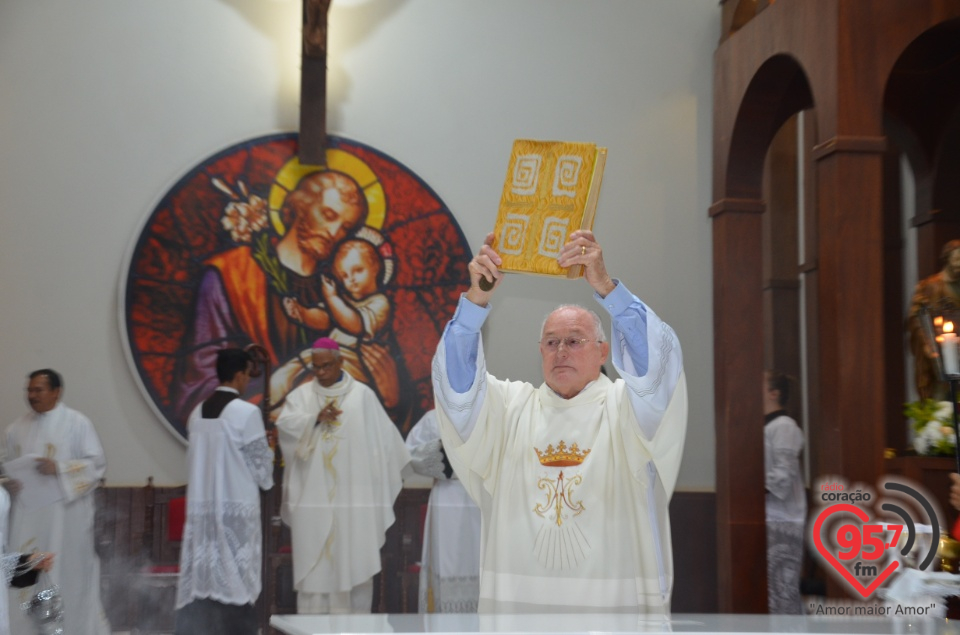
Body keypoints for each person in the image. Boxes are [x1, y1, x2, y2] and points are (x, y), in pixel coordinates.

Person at [431, 229, 687, 614]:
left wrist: (605, 286)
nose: (561, 350)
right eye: (551, 342)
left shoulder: (626, 408)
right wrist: (476, 299)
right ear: (539, 352)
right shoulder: (511, 409)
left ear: (603, 351)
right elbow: (458, 391)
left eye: (575, 340)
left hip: (608, 608)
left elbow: (658, 373)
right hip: (522, 610)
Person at [176, 170, 370, 422]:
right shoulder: (232, 274)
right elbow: (200, 382)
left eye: (345, 227)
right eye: (329, 215)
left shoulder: (340, 292)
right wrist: (271, 411)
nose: (334, 232)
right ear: (300, 205)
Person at [276, 337, 410, 614]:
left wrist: (377, 477)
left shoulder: (363, 397)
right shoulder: (301, 397)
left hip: (353, 503)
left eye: (326, 366)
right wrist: (313, 418)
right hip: (313, 500)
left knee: (353, 564)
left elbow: (386, 446)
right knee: (316, 569)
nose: (321, 372)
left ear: (340, 362)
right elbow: (285, 427)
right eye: (316, 368)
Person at [2, 369, 110, 633]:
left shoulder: (77, 423)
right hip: (27, 519)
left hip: (66, 520)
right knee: (26, 579)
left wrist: (59, 468)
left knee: (65, 575)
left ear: (56, 392)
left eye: (38, 390)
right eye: (29, 390)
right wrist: (7, 482)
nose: (32, 396)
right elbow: (6, 466)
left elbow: (96, 465)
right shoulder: (16, 428)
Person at [174, 348, 274, 634]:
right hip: (235, 510)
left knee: (204, 578)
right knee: (235, 580)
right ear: (241, 374)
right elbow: (261, 468)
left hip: (203, 509)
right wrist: (268, 464)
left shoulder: (197, 412)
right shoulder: (246, 412)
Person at [283, 236, 399, 408]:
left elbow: (355, 325)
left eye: (358, 270)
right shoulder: (342, 302)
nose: (350, 279)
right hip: (327, 358)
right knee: (286, 379)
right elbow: (325, 319)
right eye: (344, 275)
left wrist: (331, 297)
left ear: (376, 267)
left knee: (309, 386)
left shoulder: (379, 302)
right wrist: (303, 313)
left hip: (355, 362)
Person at [405, 409, 481, 613]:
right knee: (447, 563)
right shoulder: (434, 417)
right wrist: (447, 455)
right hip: (448, 498)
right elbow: (408, 452)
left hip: (485, 499)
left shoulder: (495, 413)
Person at [763, 370, 806, 614]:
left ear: (774, 393)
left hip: (783, 516)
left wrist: (749, 490)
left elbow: (783, 473)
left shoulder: (784, 426)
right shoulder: (764, 426)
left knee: (782, 586)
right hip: (767, 514)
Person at [908, 240, 960, 400]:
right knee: (941, 400)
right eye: (957, 259)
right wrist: (928, 345)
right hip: (938, 356)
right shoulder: (930, 286)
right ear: (947, 259)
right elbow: (916, 317)